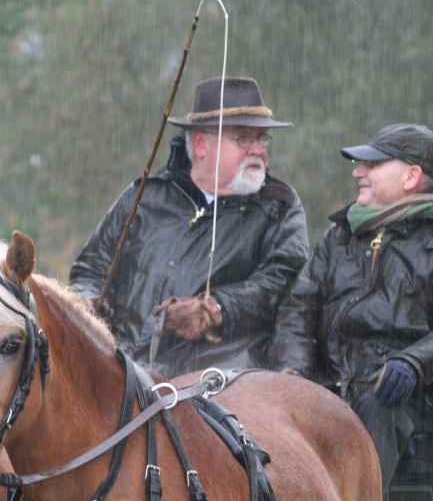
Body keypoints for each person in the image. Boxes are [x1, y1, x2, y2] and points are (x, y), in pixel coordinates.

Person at [272, 123, 433, 497]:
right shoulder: (338, 239)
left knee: (376, 405)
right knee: (263, 407)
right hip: (333, 389)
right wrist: (292, 371)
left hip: (419, 400)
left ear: (411, 177)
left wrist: (412, 363)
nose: (358, 172)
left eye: (373, 164)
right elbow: (298, 310)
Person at [70, 77, 309, 377]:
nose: (258, 150)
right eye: (243, 139)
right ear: (200, 145)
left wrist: (216, 309)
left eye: (262, 138)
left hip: (217, 386)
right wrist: (84, 304)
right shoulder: (145, 195)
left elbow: (283, 284)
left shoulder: (279, 206)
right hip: (119, 376)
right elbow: (91, 269)